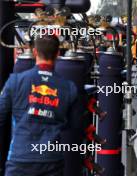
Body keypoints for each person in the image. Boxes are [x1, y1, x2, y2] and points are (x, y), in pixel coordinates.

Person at [0, 35, 79, 176]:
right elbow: (74, 124)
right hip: (51, 160)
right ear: (58, 54)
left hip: (20, 157)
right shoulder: (69, 87)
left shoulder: (15, 81)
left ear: (35, 52)